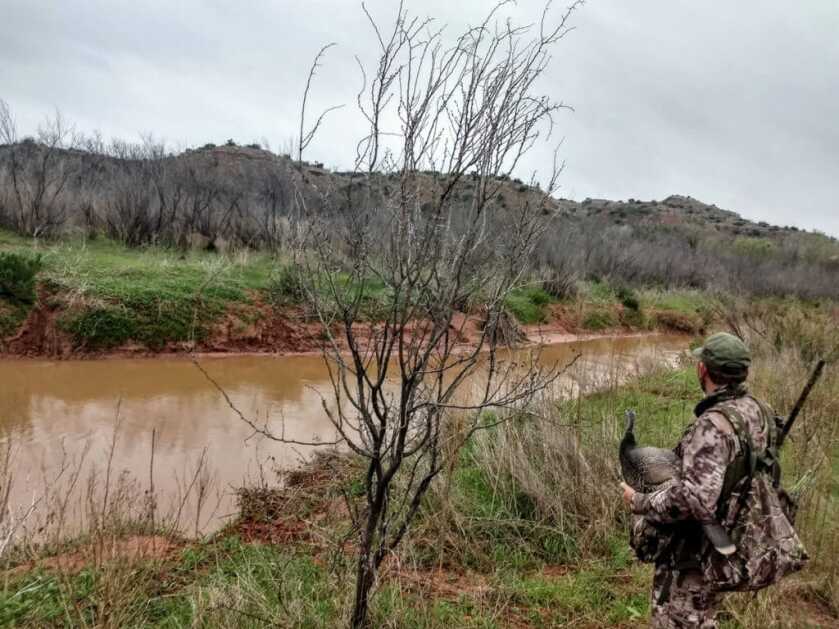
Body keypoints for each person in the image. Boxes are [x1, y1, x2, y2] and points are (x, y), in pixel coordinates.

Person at [620, 332, 776, 628]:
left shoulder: (713, 425)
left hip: (695, 551)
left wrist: (639, 501)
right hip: (733, 536)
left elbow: (693, 501)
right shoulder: (758, 410)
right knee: (702, 616)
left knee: (680, 619)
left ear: (703, 369)